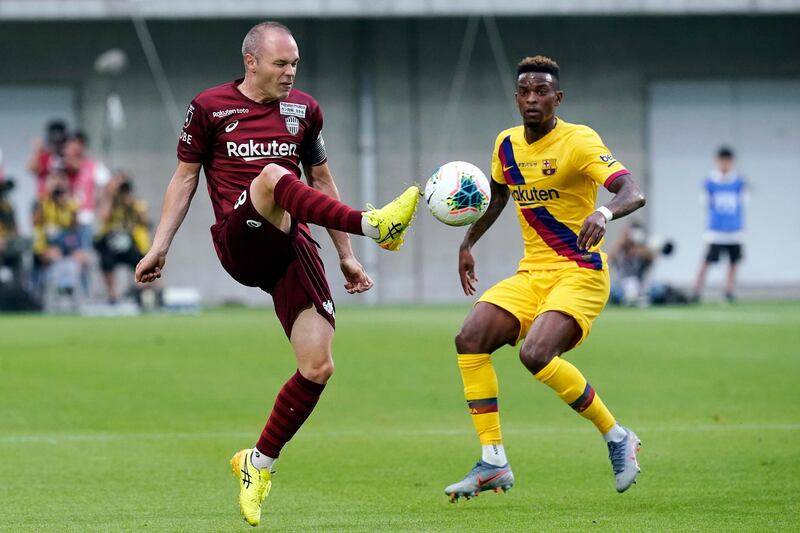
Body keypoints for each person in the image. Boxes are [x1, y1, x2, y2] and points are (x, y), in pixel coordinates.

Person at [133, 21, 419, 527]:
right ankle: (374, 222)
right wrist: (160, 246)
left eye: (295, 65)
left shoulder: (304, 110)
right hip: (238, 240)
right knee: (272, 175)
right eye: (280, 64)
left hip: (291, 242)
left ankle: (258, 463)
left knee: (318, 366)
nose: (290, 73)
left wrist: (346, 256)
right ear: (251, 62)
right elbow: (185, 177)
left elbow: (322, 179)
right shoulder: (209, 107)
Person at [444, 56, 646, 501]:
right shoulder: (506, 144)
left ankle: (617, 436)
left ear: (558, 98)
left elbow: (632, 190)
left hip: (581, 272)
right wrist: (467, 243)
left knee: (535, 353)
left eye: (541, 92)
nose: (532, 99)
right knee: (470, 337)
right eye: (525, 92)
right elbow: (497, 196)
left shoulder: (579, 141)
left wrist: (603, 211)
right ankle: (493, 461)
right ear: (516, 98)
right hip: (532, 273)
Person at [692, 147, 746, 303]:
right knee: (706, 261)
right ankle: (696, 290)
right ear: (717, 161)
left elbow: (743, 204)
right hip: (716, 230)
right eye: (722, 160)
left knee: (733, 262)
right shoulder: (709, 182)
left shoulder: (739, 182)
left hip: (734, 230)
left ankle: (729, 291)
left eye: (727, 160)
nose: (725, 164)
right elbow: (704, 204)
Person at [95, 171, 151, 304]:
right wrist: (110, 196)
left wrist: (130, 203)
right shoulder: (109, 202)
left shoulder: (136, 202)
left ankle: (141, 292)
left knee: (143, 259)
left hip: (131, 242)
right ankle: (112, 295)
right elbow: (103, 217)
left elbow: (145, 221)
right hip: (111, 241)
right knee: (105, 260)